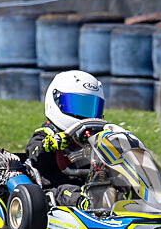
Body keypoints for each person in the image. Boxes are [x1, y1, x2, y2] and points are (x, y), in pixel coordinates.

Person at [26, 70, 105, 206]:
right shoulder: (47, 133)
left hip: (87, 181)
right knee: (70, 192)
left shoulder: (93, 135)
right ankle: (85, 204)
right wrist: (50, 144)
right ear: (56, 101)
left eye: (90, 108)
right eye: (77, 105)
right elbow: (33, 152)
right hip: (56, 185)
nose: (84, 114)